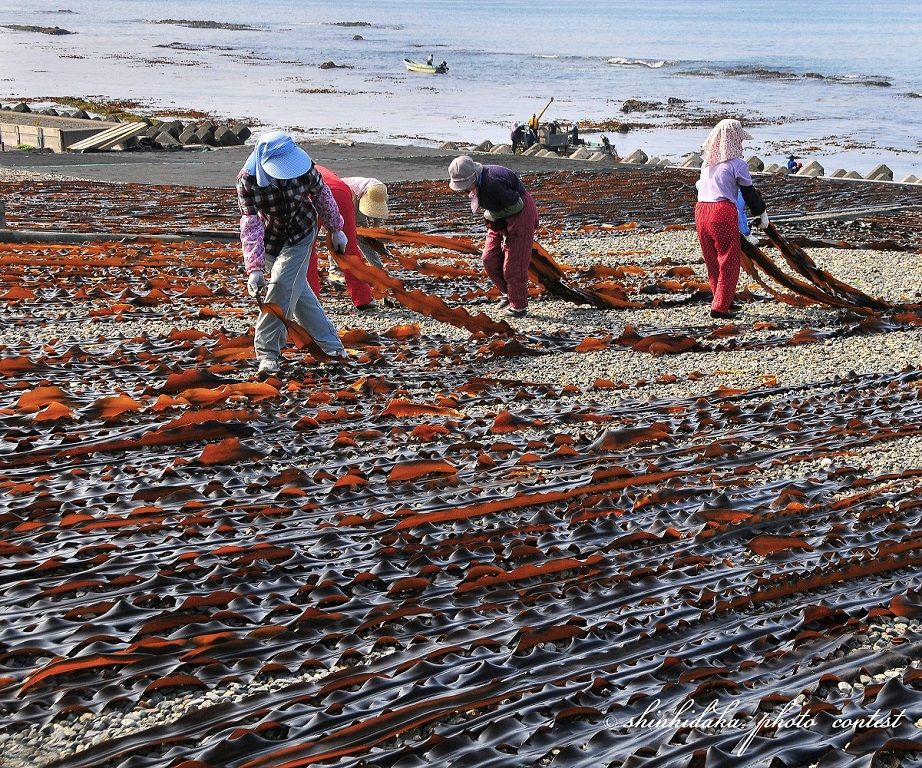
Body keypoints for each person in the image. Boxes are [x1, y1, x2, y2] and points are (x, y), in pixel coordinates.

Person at [236, 131, 349, 376]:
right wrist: (254, 269)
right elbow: (251, 224)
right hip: (269, 240)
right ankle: (332, 347)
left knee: (280, 287)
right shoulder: (247, 180)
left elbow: (322, 197)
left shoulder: (305, 168)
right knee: (299, 296)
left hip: (301, 232)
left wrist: (336, 228)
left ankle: (267, 353)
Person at [448, 155, 539, 317]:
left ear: (474, 176)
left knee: (513, 264)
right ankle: (508, 294)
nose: (464, 190)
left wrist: (491, 215)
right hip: (497, 215)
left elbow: (517, 205)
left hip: (521, 214)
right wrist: (492, 216)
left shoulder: (493, 182)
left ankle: (519, 307)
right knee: (488, 258)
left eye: (465, 186)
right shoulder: (478, 184)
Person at [695, 119, 768, 319]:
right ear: (735, 140)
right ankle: (719, 308)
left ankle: (724, 298)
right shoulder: (738, 164)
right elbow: (749, 193)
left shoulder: (706, 163)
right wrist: (761, 214)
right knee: (728, 259)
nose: (742, 144)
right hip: (722, 211)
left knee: (712, 259)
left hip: (701, 211)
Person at [308, 166, 377, 310]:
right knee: (350, 248)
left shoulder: (293, 171)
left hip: (315, 194)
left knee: (307, 250)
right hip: (341, 192)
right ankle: (363, 299)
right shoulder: (317, 168)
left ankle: (311, 301)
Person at [341, 175, 391, 269]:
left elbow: (379, 214)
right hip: (345, 197)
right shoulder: (350, 191)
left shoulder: (379, 192)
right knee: (341, 234)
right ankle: (334, 269)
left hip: (360, 196)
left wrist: (376, 230)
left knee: (365, 236)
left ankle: (377, 267)